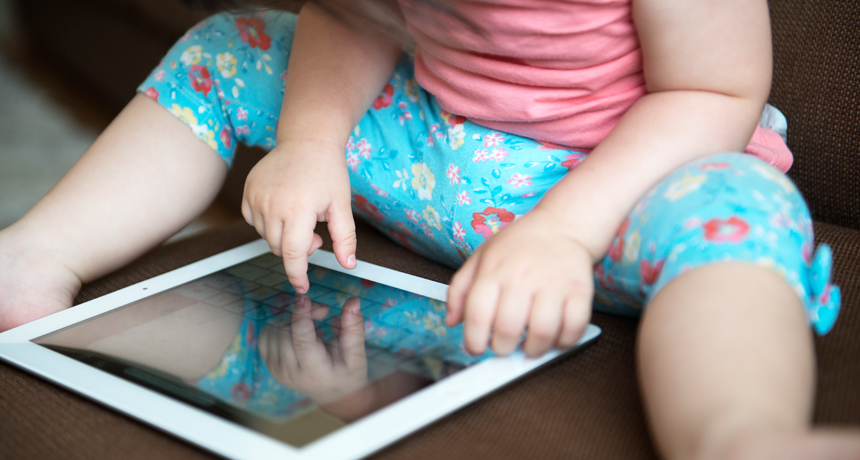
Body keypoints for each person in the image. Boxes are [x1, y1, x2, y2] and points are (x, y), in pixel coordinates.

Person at [1, 0, 859, 458]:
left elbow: (711, 91)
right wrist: (310, 141)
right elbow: (351, 16)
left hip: (623, 190)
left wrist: (564, 232)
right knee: (234, 45)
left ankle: (737, 431)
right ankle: (35, 256)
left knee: (739, 208)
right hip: (435, 159)